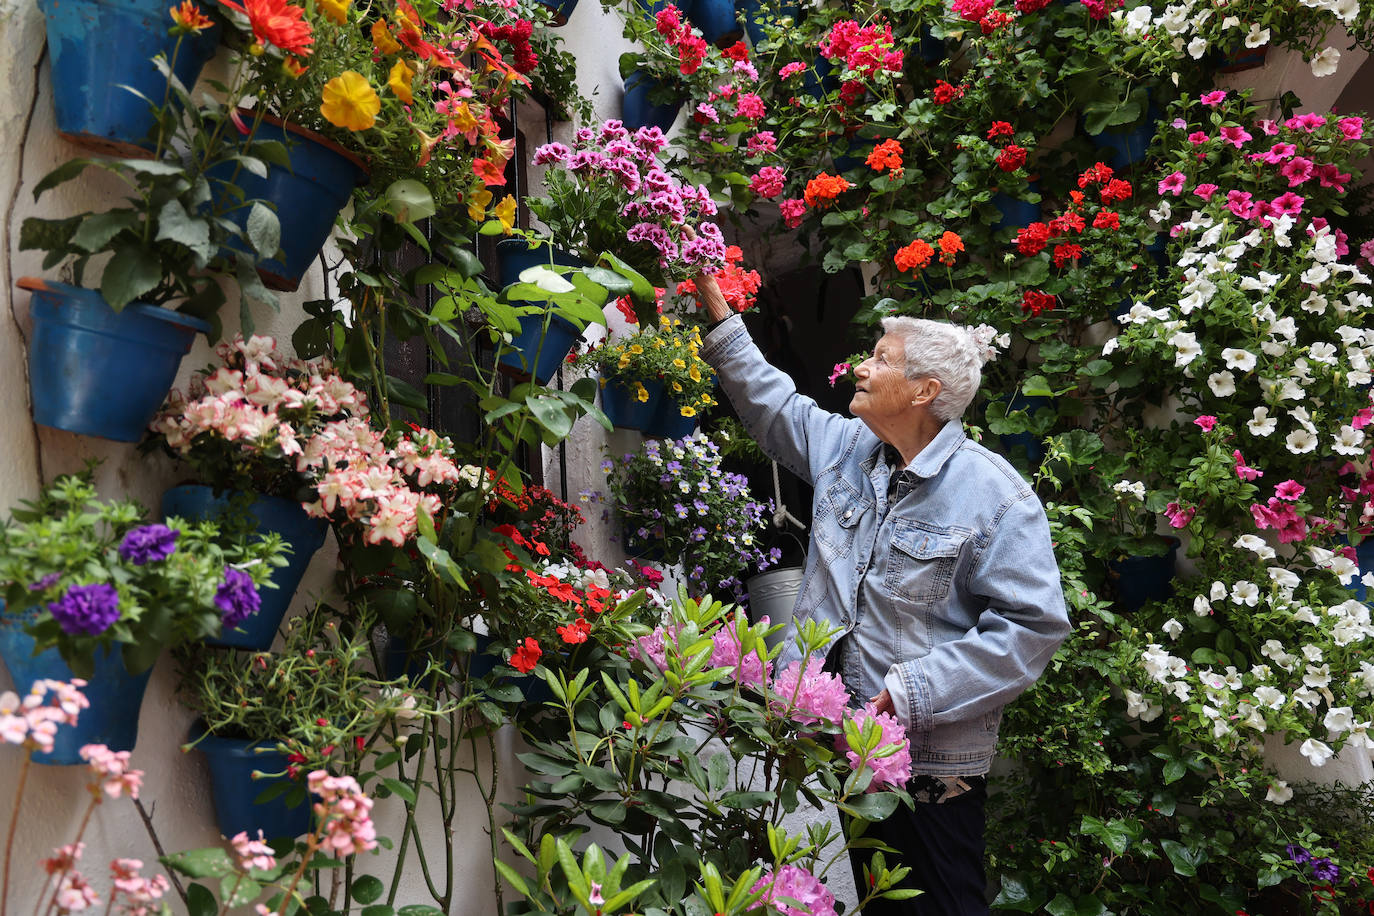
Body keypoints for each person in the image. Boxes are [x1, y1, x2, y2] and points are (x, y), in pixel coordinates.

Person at [692, 272, 1071, 915]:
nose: (861, 369)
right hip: (850, 750)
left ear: (925, 391)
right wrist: (713, 302)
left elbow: (1033, 628)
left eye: (880, 358)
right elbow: (771, 403)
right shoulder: (847, 449)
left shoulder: (996, 497)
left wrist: (908, 691)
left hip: (930, 767)